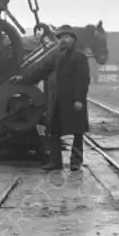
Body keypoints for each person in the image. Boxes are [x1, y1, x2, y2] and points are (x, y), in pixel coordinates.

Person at [11, 25, 90, 171]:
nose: (63, 40)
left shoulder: (80, 58)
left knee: (77, 133)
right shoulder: (57, 57)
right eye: (61, 38)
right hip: (57, 100)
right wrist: (23, 79)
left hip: (73, 101)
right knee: (54, 132)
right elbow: (41, 71)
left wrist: (79, 99)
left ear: (73, 40)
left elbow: (83, 80)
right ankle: (55, 162)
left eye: (67, 37)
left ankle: (76, 162)